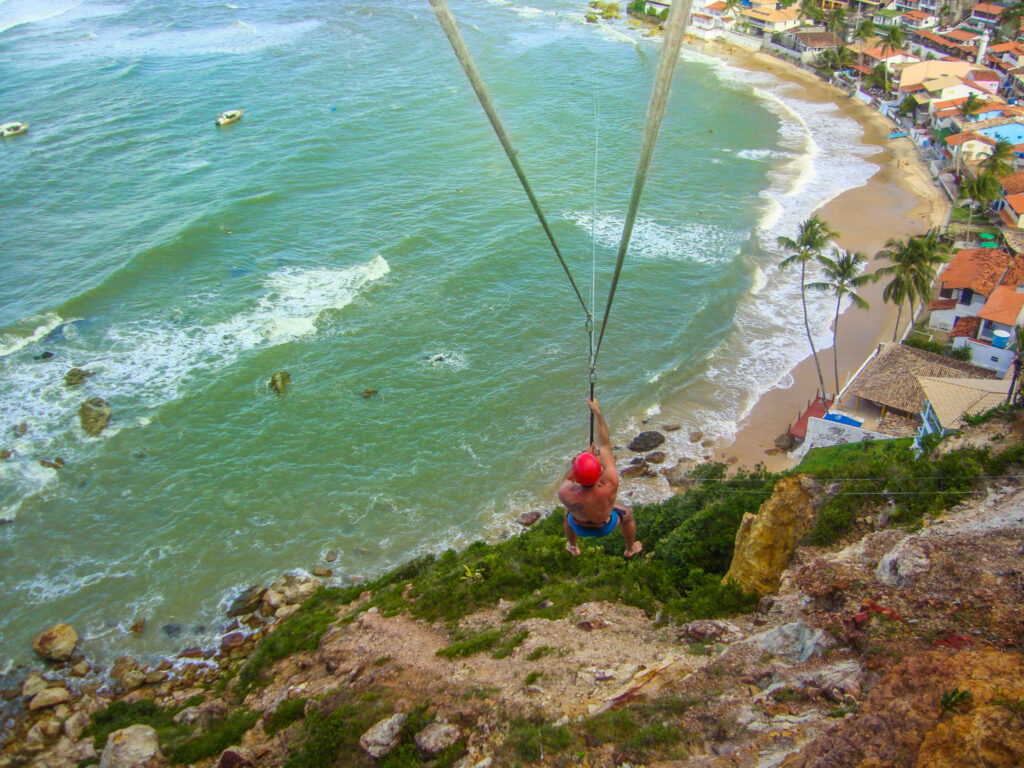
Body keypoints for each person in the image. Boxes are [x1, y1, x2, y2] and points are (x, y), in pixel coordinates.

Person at [559, 398, 642, 558]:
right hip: (605, 526)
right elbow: (604, 445)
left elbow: (569, 477)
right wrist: (597, 412)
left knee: (567, 513)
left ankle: (573, 546)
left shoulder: (565, 492)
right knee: (628, 514)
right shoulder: (610, 483)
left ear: (576, 476)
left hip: (578, 526)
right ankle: (630, 549)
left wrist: (585, 455)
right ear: (599, 472)